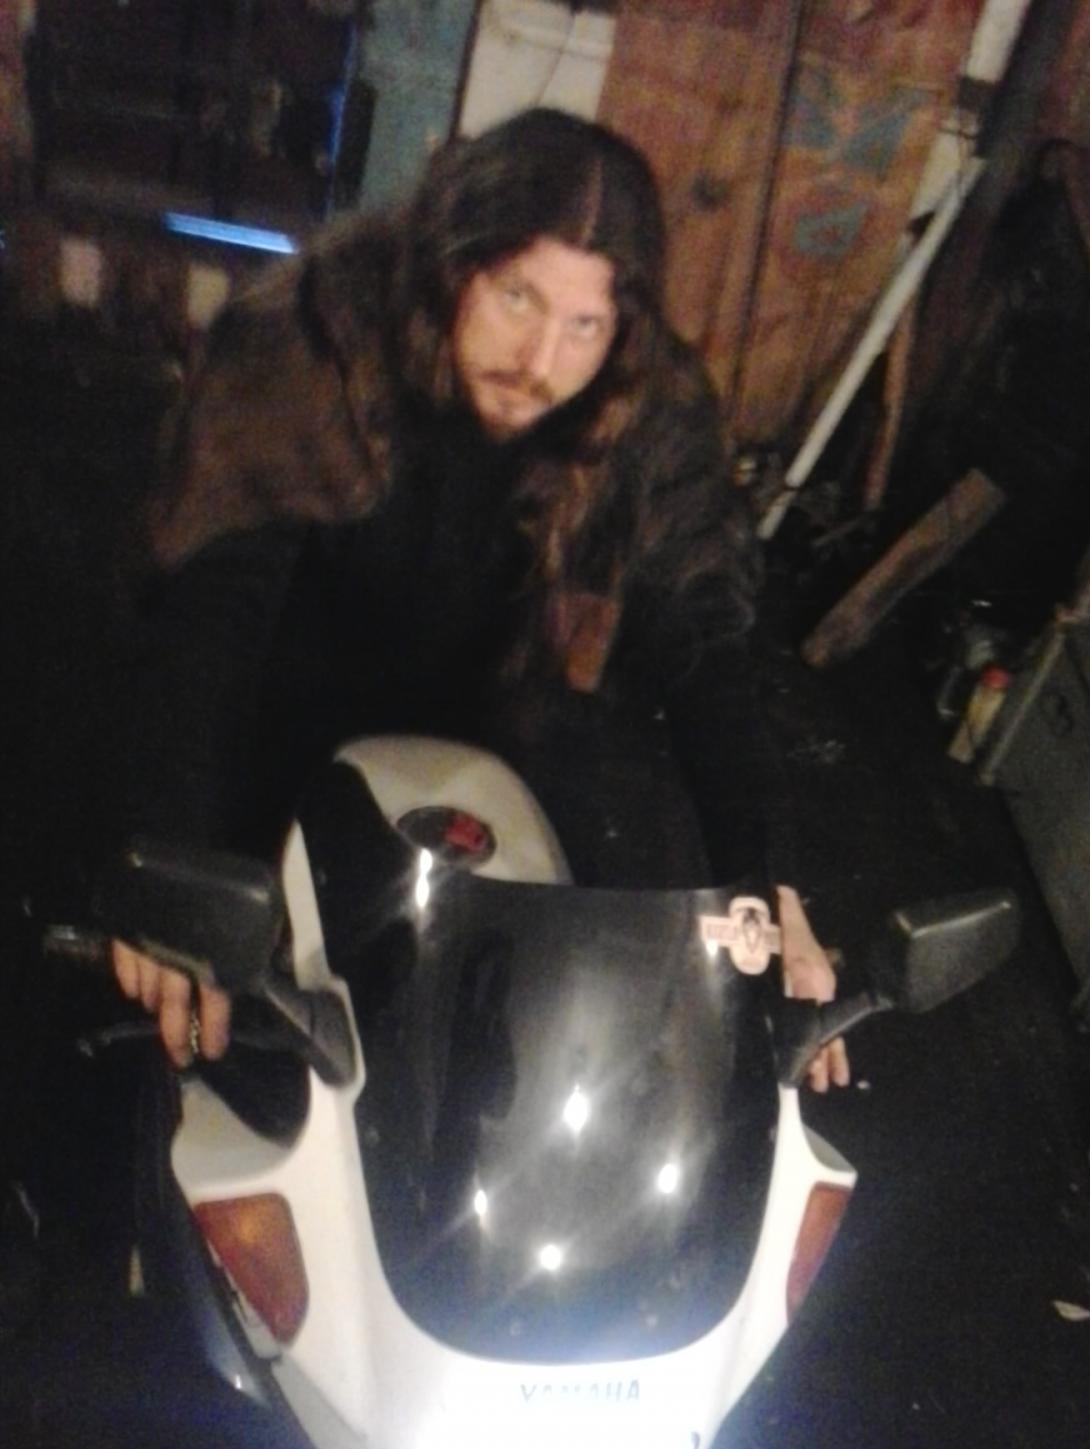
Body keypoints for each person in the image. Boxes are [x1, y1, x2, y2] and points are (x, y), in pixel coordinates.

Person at [109, 107, 850, 1091]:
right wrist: (173, 854)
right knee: (199, 1040)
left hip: (493, 741)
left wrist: (772, 883)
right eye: (516, 297)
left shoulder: (644, 401)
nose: (541, 362)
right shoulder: (320, 335)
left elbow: (706, 641)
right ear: (453, 262)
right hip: (277, 717)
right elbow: (214, 611)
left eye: (584, 325)